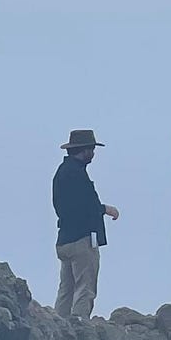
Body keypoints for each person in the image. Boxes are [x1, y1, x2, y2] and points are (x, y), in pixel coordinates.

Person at [52, 129, 118, 321]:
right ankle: (79, 326)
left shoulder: (62, 172)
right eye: (92, 149)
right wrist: (104, 208)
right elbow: (85, 205)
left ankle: (59, 325)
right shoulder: (77, 174)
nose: (93, 154)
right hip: (82, 239)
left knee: (66, 288)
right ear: (85, 150)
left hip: (65, 238)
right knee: (85, 287)